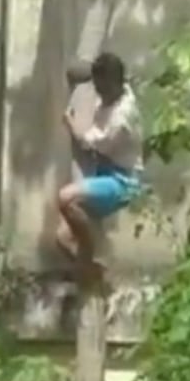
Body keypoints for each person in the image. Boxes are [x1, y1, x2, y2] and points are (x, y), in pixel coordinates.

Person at [56, 52, 144, 283]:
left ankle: (87, 257)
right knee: (62, 240)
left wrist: (71, 124)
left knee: (65, 198)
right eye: (97, 87)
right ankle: (98, 277)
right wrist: (84, 74)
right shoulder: (119, 88)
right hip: (104, 175)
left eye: (104, 89)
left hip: (123, 181)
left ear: (115, 83)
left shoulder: (121, 119)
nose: (100, 94)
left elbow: (88, 143)